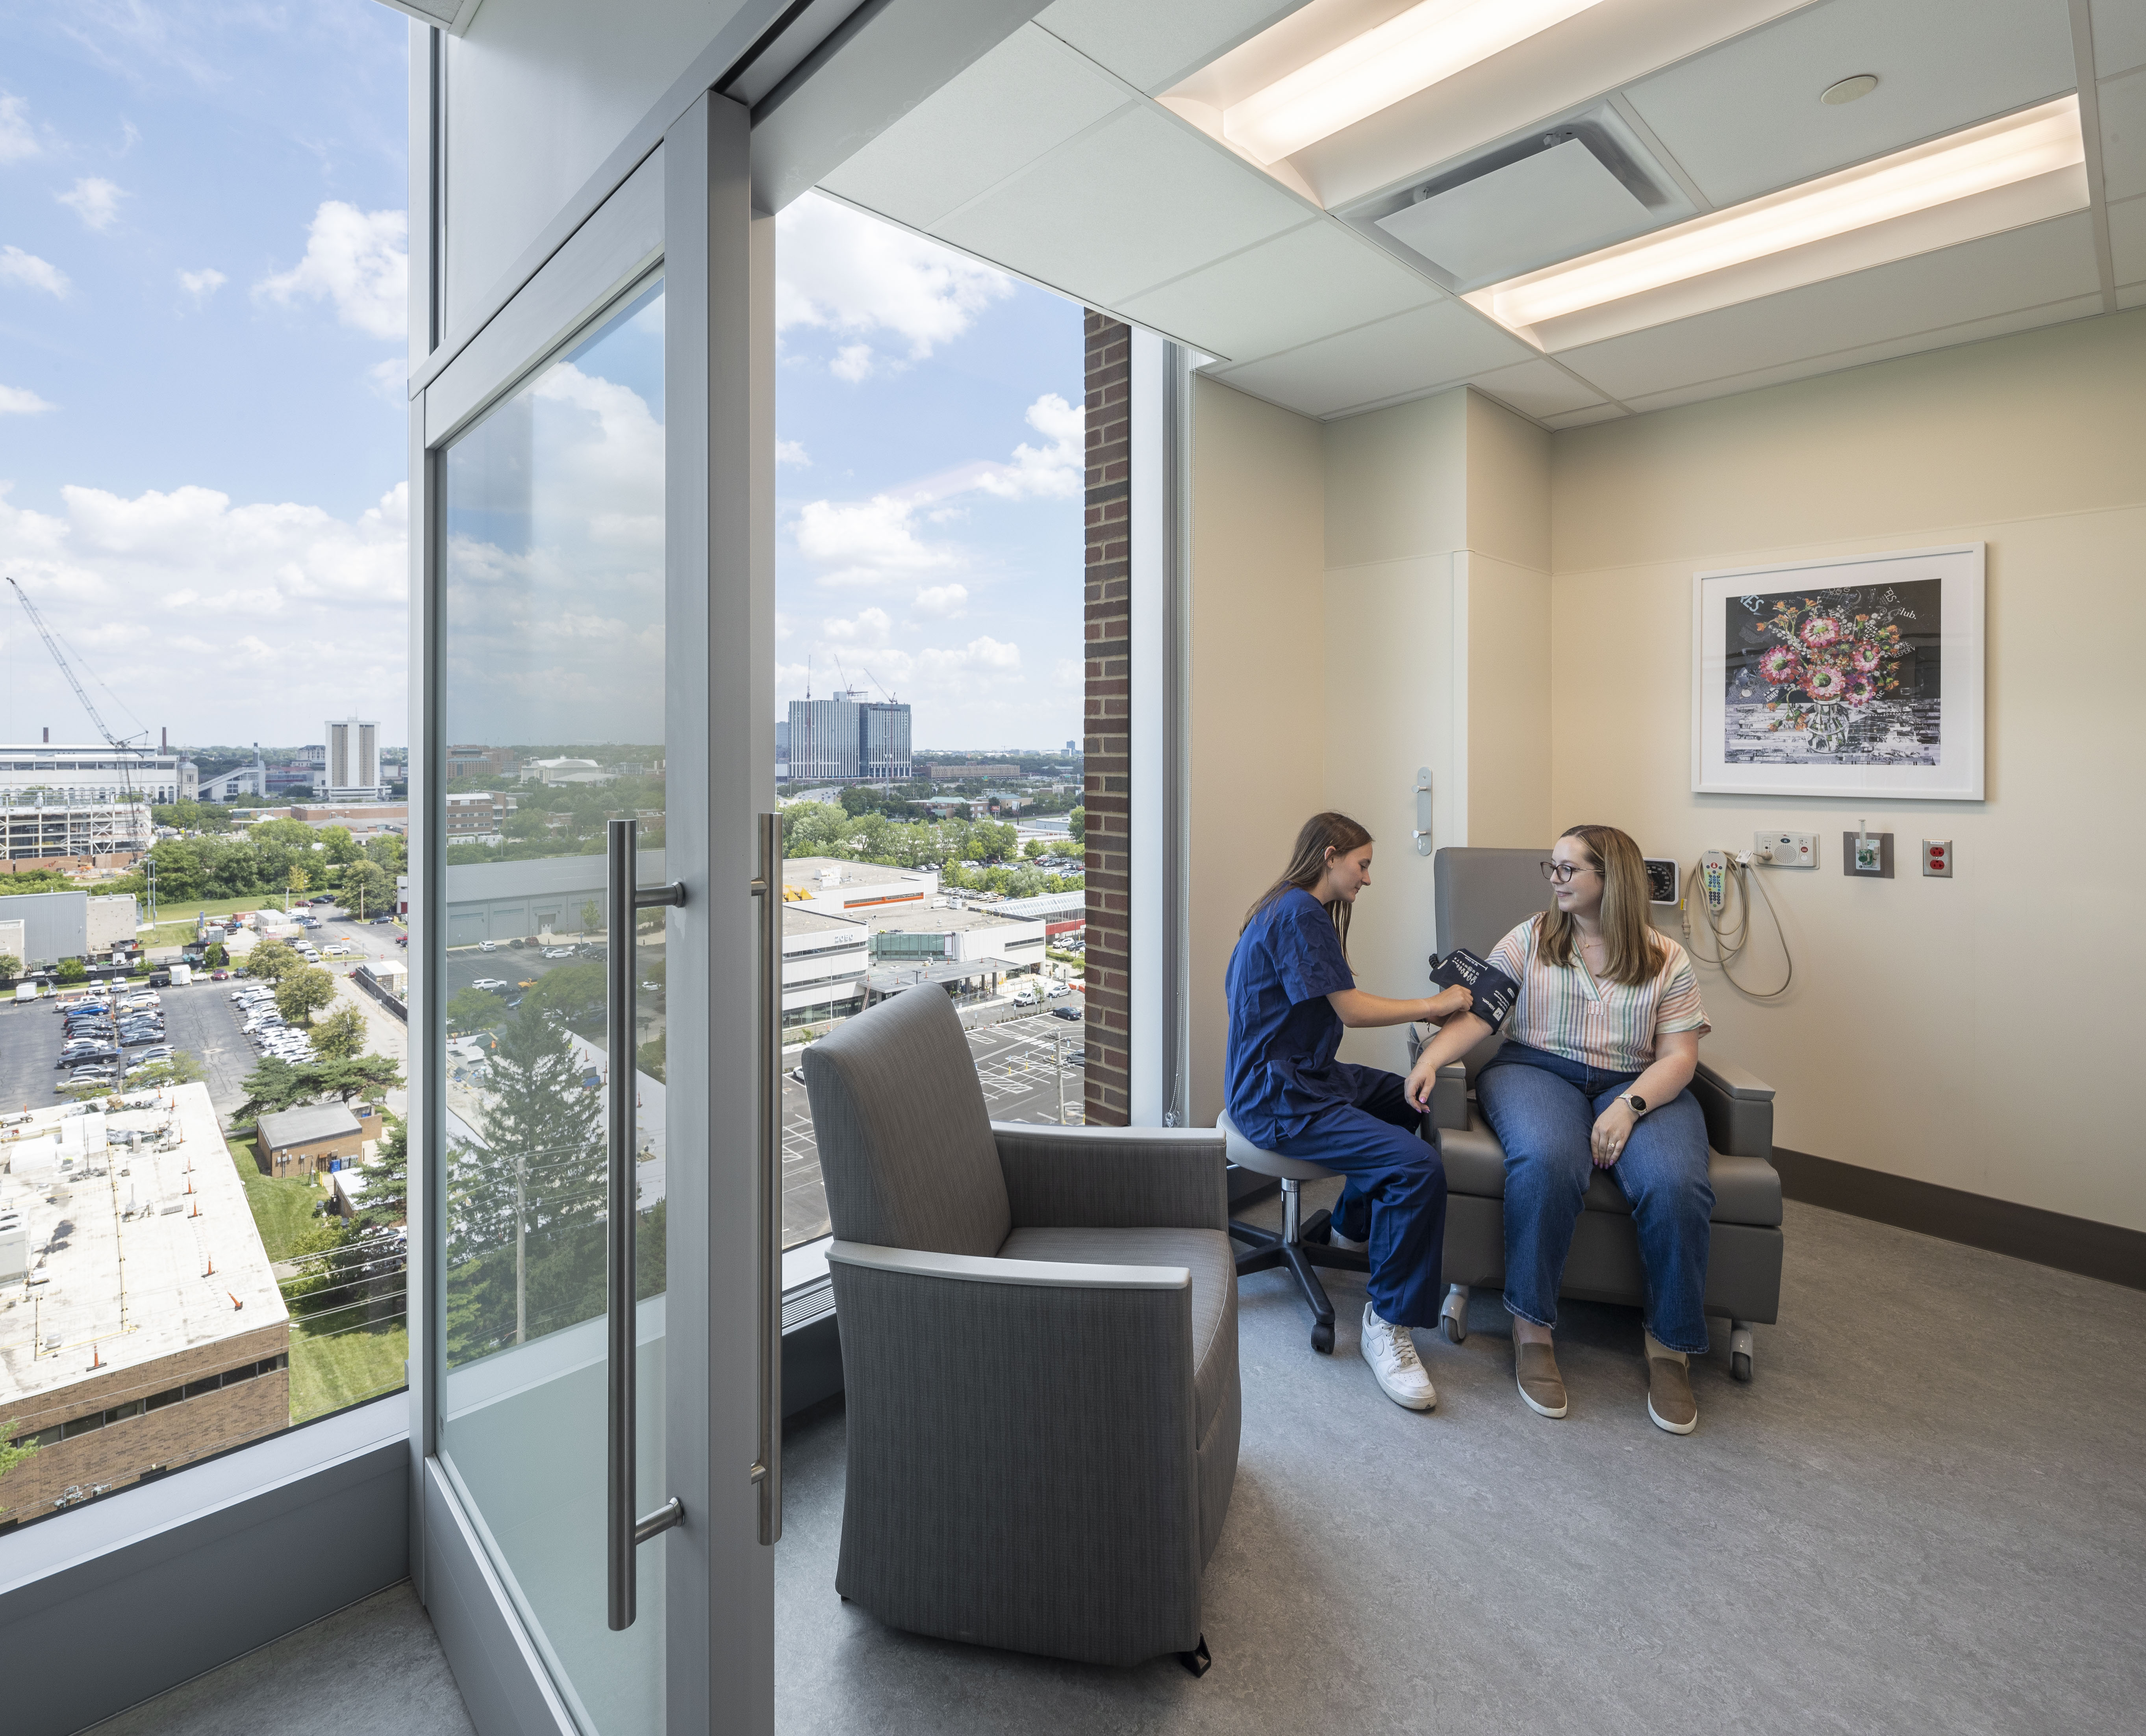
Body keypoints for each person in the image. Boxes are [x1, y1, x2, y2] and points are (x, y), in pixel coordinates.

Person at [1405, 824, 1714, 1435]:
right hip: (1535, 1070)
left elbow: (1679, 1057)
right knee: (1547, 1160)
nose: (1555, 881)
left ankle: (1669, 1346)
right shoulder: (1531, 937)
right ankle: (1532, 1330)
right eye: (1552, 868)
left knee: (1676, 1182)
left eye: (1568, 870)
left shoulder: (1665, 957)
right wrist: (1430, 1058)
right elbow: (1481, 1017)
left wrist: (1629, 1105)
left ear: (1612, 878)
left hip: (1637, 1078)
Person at [1226, 812, 1474, 1411]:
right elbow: (1353, 1012)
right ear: (1331, 855)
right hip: (1278, 1098)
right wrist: (1435, 1003)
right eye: (1362, 865)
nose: (1367, 879)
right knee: (1417, 1168)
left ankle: (1351, 1228)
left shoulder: (1289, 907)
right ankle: (1387, 1324)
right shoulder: (1298, 915)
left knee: (1406, 1100)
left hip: (1305, 1075)